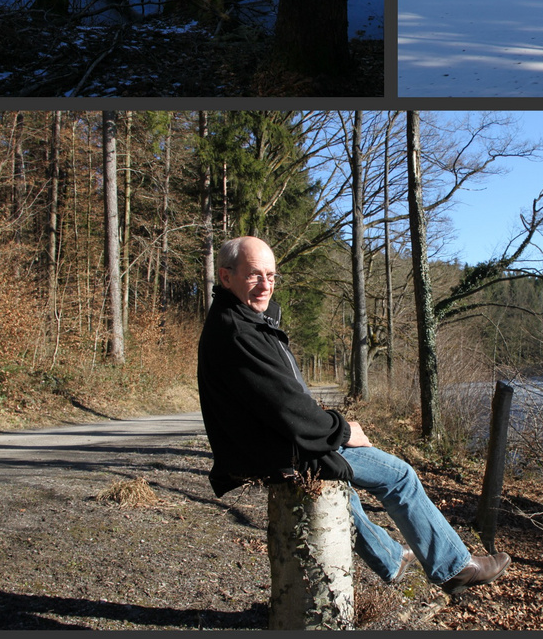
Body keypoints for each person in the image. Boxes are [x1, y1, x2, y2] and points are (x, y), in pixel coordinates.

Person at [197, 235, 509, 594]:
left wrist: (328, 425)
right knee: (400, 476)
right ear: (225, 277)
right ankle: (455, 567)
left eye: (271, 275)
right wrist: (344, 430)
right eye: (254, 275)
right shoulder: (238, 331)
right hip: (281, 450)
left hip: (274, 445)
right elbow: (287, 409)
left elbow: (279, 400)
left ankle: (391, 559)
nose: (266, 285)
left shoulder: (245, 321)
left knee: (343, 490)